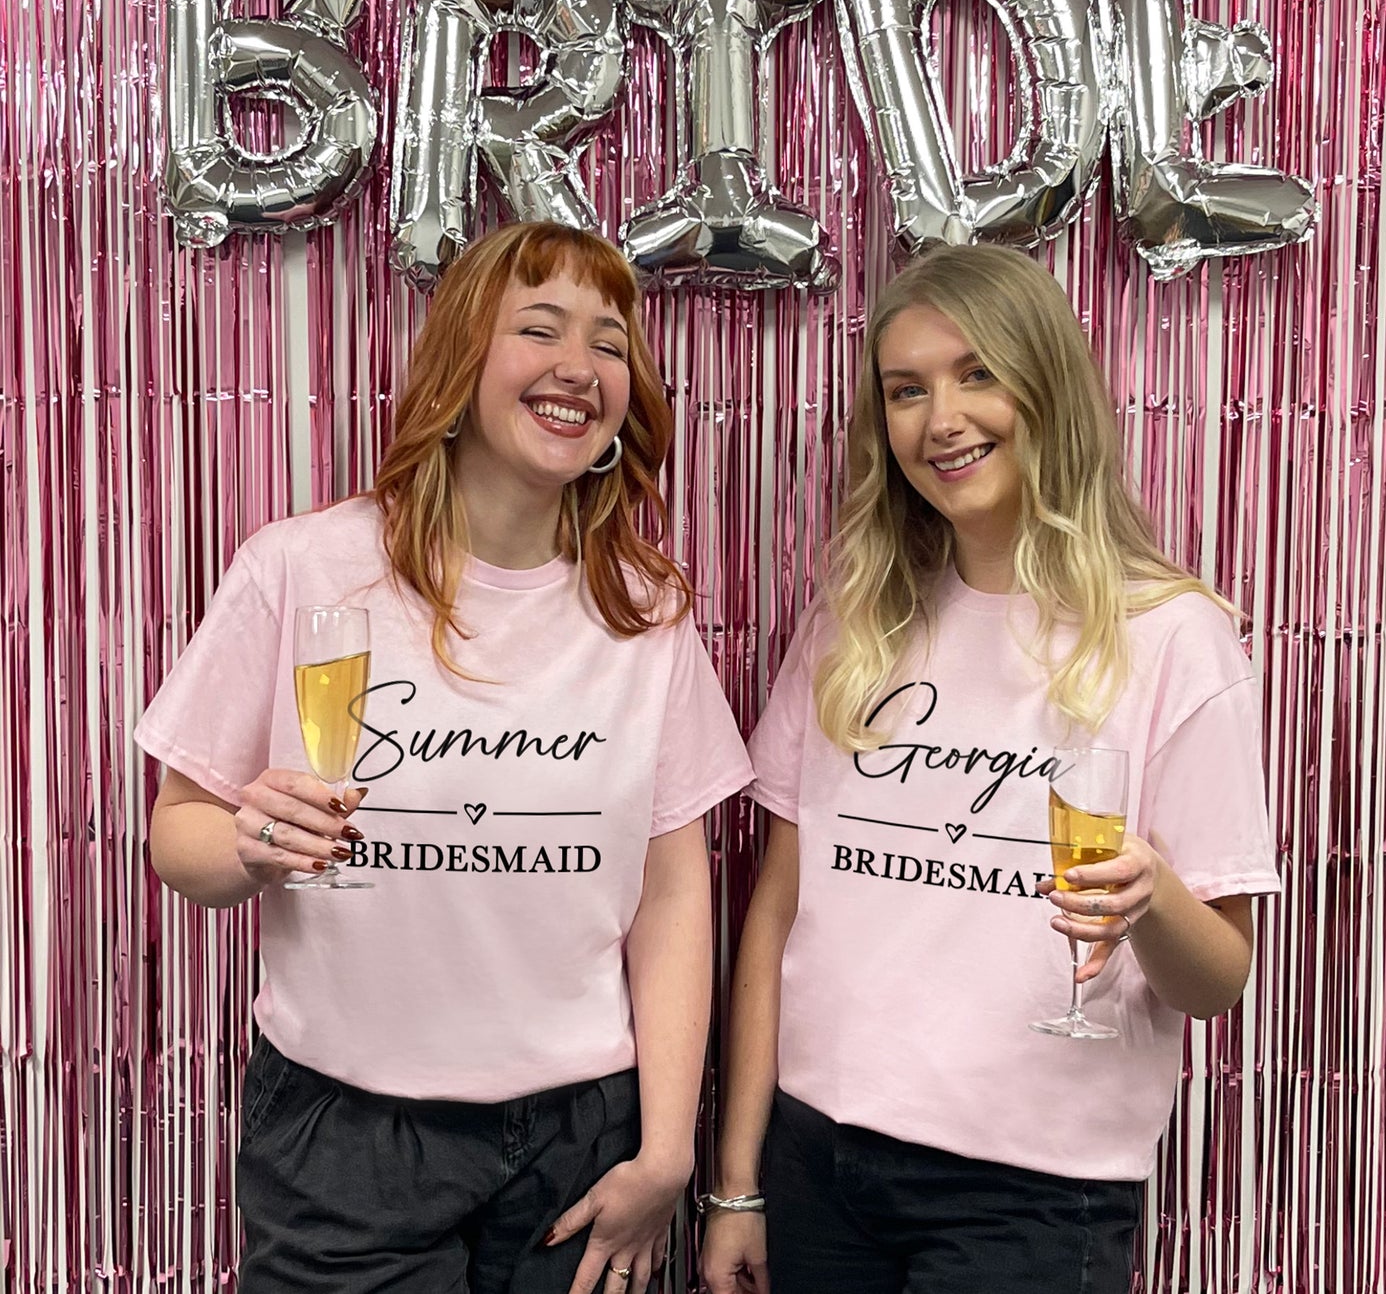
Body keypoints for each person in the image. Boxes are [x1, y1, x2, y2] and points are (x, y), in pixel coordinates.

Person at [139, 222, 754, 1294]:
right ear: (461, 359)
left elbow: (669, 893)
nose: (578, 366)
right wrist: (251, 842)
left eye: (609, 343)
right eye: (539, 328)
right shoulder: (307, 568)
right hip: (347, 1138)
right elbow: (175, 839)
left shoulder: (645, 611)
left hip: (580, 1140)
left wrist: (665, 1151)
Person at [699, 245, 1281, 1294]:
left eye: (976, 375)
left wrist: (1148, 893)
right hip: (817, 1158)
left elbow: (1218, 983)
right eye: (904, 391)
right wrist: (738, 1181)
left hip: (1032, 1195)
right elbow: (777, 913)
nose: (940, 420)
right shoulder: (853, 623)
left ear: (1045, 387)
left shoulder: (1173, 637)